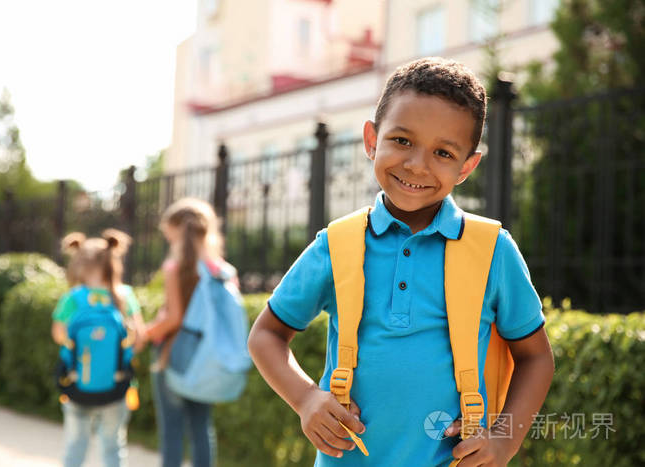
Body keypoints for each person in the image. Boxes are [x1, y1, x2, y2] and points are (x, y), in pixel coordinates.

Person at [248, 57, 555, 466]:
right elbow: (266, 334)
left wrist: (504, 439)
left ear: (467, 167)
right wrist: (306, 399)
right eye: (402, 141)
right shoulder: (336, 245)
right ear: (372, 140)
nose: (416, 165)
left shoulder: (493, 251)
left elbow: (535, 357)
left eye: (443, 152)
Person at [144, 198, 233, 467]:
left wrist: (146, 333)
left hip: (172, 355)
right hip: (206, 356)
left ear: (177, 231)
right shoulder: (221, 270)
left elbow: (175, 317)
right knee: (201, 427)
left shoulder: (176, 268)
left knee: (171, 429)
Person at [52, 229, 146, 467]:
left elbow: (58, 335)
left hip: (76, 384)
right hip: (117, 386)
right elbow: (139, 337)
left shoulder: (73, 298)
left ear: (78, 263)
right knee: (113, 446)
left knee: (76, 445)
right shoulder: (124, 295)